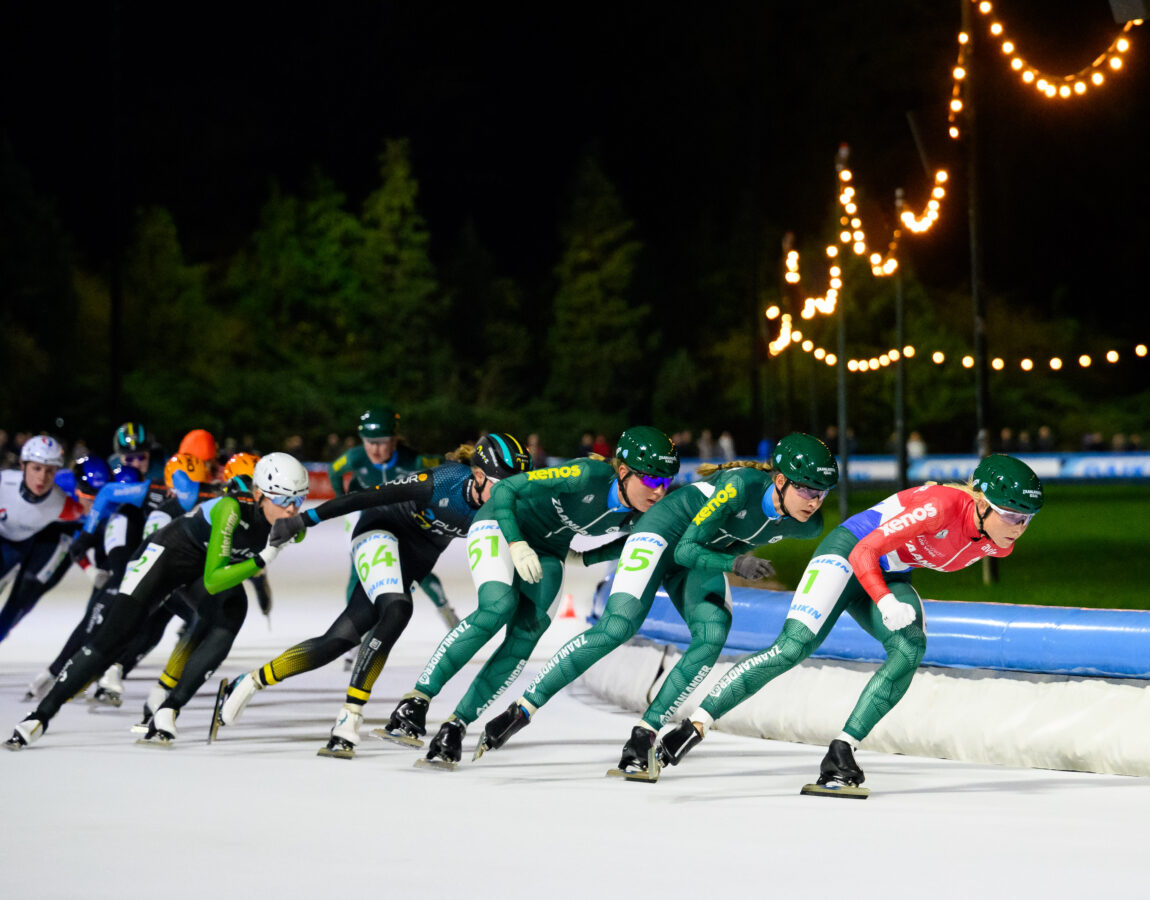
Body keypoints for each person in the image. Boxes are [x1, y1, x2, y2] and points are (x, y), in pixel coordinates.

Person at [654, 454, 1043, 796]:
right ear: (980, 502)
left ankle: (841, 752)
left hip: (889, 573)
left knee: (910, 650)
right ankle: (695, 724)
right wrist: (885, 599)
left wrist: (888, 591)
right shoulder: (940, 506)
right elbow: (864, 550)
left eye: (1027, 519)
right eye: (1011, 515)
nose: (1018, 527)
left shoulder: (998, 543)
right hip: (848, 553)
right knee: (792, 648)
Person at [472, 433, 838, 775]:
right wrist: (735, 563)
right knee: (618, 627)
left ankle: (645, 733)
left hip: (697, 557)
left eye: (823, 492)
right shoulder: (740, 486)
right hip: (663, 536)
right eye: (807, 489)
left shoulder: (807, 525)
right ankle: (523, 708)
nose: (815, 500)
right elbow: (685, 548)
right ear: (779, 481)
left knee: (713, 633)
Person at [212, 433, 534, 758]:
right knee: (397, 609)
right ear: (478, 476)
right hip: (379, 531)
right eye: (503, 485)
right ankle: (349, 718)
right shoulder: (440, 481)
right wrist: (303, 518)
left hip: (413, 560)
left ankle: (250, 681)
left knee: (338, 640)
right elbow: (364, 497)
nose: (510, 495)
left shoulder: (503, 504)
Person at [383, 426, 679, 769]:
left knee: (526, 637)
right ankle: (415, 702)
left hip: (549, 551)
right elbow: (506, 488)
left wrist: (586, 557)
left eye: (667, 482)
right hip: (502, 524)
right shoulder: (586, 474)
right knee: (497, 608)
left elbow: (633, 539)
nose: (660, 491)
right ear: (624, 471)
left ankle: (455, 725)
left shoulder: (644, 512)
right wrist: (515, 542)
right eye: (653, 481)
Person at [4, 453, 310, 749]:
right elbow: (219, 574)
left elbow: (324, 513)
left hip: (197, 571)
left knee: (228, 612)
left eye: (300, 499)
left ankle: (167, 705)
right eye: (285, 500)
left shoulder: (282, 517)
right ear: (258, 494)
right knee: (117, 635)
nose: (293, 508)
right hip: (163, 557)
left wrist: (262, 582)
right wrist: (87, 533)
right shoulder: (221, 505)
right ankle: (41, 715)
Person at [327, 407, 457, 630]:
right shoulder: (355, 457)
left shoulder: (414, 461)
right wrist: (344, 500)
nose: (374, 449)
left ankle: (446, 611)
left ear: (395, 439)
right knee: (358, 571)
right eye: (369, 442)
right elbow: (333, 470)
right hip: (366, 514)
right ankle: (353, 629)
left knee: (417, 571)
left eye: (382, 441)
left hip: (402, 517)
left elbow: (446, 467)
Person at [0, 436, 72, 645]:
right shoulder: (3, 483)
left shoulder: (60, 502)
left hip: (25, 546)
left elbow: (92, 511)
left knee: (20, 604)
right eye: (36, 469)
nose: (42, 478)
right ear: (23, 466)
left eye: (50, 471)